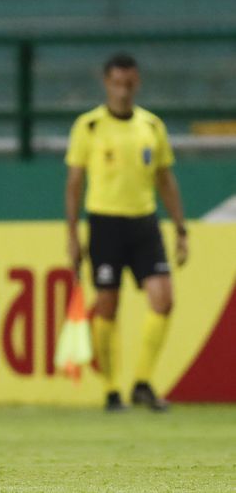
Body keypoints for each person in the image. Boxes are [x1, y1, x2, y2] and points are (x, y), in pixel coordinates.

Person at [65, 52, 187, 412]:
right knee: (106, 305)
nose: (123, 91)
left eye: (129, 84)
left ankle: (143, 382)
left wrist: (180, 228)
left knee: (163, 299)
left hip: (144, 222)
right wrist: (73, 235)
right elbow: (74, 184)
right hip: (104, 222)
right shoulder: (88, 126)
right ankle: (112, 389)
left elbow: (165, 179)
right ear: (106, 84)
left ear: (138, 83)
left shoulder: (151, 126)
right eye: (117, 84)